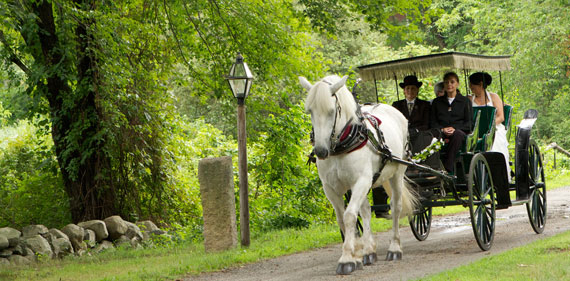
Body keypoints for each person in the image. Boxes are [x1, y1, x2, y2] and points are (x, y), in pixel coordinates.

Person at [468, 72, 511, 181]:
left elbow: (501, 117)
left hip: (494, 128)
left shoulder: (493, 97)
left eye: (473, 85)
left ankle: (499, 174)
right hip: (476, 129)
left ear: (481, 84)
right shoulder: (469, 99)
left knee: (495, 141)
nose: (470, 87)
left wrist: (490, 126)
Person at [430, 72, 472, 173]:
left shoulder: (465, 101)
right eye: (446, 82)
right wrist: (442, 129)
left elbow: (469, 123)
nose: (449, 85)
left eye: (452, 82)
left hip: (459, 132)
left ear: (457, 84)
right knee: (432, 136)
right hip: (441, 132)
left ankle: (447, 168)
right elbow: (432, 122)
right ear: (444, 85)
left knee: (457, 135)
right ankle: (432, 167)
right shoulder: (437, 102)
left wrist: (454, 129)